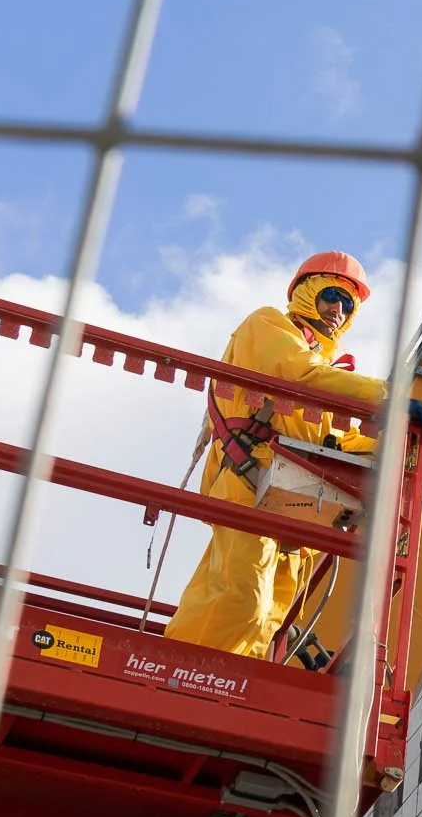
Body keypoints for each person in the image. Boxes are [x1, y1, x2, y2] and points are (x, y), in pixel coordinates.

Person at [165, 251, 399, 663]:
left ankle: (228, 684)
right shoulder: (270, 325)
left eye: (348, 305)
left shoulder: (332, 375)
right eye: (330, 296)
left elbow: (334, 443)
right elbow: (296, 375)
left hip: (291, 504)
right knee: (242, 598)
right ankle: (181, 670)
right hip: (246, 483)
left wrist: (398, 446)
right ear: (306, 293)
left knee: (271, 612)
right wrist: (389, 397)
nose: (338, 311)